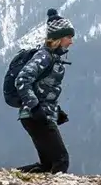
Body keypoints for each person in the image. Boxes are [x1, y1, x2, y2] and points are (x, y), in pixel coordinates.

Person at [15, 9, 74, 174]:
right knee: (61, 160)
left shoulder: (54, 58)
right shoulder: (44, 57)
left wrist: (56, 110)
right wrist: (35, 107)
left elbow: (44, 89)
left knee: (47, 165)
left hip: (37, 114)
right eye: (69, 37)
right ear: (58, 38)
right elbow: (22, 79)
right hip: (36, 115)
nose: (71, 42)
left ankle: (11, 176)